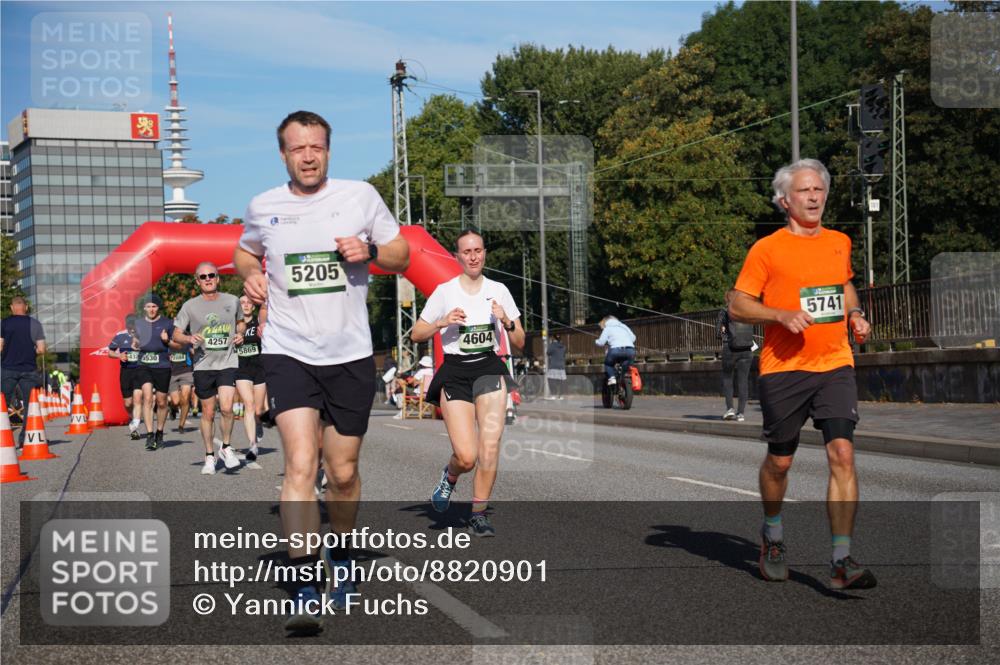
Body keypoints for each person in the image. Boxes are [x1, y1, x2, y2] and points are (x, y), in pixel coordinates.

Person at [234, 110, 408, 631]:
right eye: (297, 148)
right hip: (288, 350)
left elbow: (401, 254)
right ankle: (306, 581)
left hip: (350, 354)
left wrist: (372, 251)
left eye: (316, 147)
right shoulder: (264, 207)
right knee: (300, 466)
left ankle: (345, 553)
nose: (307, 155)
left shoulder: (360, 197)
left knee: (344, 473)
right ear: (283, 154)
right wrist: (252, 278)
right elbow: (245, 253)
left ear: (328, 150)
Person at [729, 158, 875, 591]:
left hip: (834, 363)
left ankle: (840, 559)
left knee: (843, 454)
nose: (814, 197)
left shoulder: (839, 241)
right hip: (784, 368)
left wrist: (856, 315)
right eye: (804, 191)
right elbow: (737, 304)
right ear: (784, 200)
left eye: (819, 190)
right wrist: (779, 314)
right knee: (781, 460)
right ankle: (772, 534)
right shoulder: (767, 249)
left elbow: (844, 284)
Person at [412, 229, 524, 538]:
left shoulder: (499, 290)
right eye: (466, 251)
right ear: (457, 256)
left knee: (489, 448)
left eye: (478, 250)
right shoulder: (445, 291)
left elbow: (520, 341)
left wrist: (507, 321)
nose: (473, 256)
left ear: (484, 253)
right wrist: (441, 322)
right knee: (467, 456)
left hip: (489, 367)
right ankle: (449, 477)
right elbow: (416, 334)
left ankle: (478, 513)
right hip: (456, 372)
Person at [172, 262, 242, 474]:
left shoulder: (232, 300)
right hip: (203, 365)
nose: (208, 279)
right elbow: (176, 334)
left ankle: (227, 447)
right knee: (209, 413)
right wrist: (188, 337)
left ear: (218, 278)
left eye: (212, 275)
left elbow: (240, 323)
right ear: (197, 281)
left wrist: (239, 334)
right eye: (203, 277)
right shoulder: (190, 305)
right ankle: (210, 456)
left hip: (228, 361)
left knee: (228, 408)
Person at [132, 294, 175, 450]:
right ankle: (149, 435)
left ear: (159, 308)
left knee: (162, 402)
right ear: (144, 308)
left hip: (162, 364)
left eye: (154, 306)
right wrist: (135, 343)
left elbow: (175, 344)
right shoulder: (138, 323)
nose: (151, 309)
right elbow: (135, 341)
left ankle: (159, 432)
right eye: (149, 306)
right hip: (144, 364)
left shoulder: (168, 323)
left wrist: (166, 341)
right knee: (147, 397)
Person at [1, 296, 45, 438]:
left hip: (8, 368)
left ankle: (2, 438)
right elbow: (41, 349)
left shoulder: (4, 323)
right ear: (25, 307)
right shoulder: (35, 323)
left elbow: (0, 346)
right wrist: (31, 352)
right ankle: (25, 439)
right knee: (30, 405)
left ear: (12, 307)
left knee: (3, 403)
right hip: (29, 369)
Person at [234, 295, 268, 462]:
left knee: (258, 410)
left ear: (253, 307)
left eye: (248, 303)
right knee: (248, 404)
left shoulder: (259, 323)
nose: (246, 305)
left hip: (259, 368)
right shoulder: (233, 325)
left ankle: (259, 423)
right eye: (242, 303)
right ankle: (252, 445)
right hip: (241, 369)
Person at [717, 289, 755, 422]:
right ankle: (741, 413)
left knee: (728, 378)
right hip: (747, 349)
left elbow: (719, 333)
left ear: (727, 298)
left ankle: (730, 409)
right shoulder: (747, 311)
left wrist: (724, 332)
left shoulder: (725, 311)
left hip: (730, 349)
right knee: (743, 381)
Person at [108, 315, 144, 439]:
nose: (132, 327)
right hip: (126, 371)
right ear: (126, 324)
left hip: (140, 370)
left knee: (138, 398)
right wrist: (119, 356)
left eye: (134, 324)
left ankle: (135, 426)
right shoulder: (120, 336)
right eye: (130, 324)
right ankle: (132, 418)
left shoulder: (143, 335)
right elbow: (110, 352)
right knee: (128, 403)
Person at [594, 315, 636, 385]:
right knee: (625, 369)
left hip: (615, 351)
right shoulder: (624, 326)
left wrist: (596, 341)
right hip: (630, 350)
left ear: (605, 322)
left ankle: (612, 378)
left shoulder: (607, 328)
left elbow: (601, 343)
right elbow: (633, 338)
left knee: (608, 364)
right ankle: (624, 381)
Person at [167, 342, 195, 434]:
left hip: (186, 372)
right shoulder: (168, 341)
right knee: (175, 401)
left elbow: (194, 350)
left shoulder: (187, 341)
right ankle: (173, 408)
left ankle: (181, 425)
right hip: (172, 374)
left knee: (185, 398)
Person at [546, 334, 567, 399]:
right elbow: (563, 353)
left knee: (551, 380)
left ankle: (553, 395)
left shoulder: (552, 346)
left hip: (553, 365)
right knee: (561, 381)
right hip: (561, 366)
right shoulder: (563, 346)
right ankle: (561, 396)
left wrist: (551, 343)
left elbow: (548, 352)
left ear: (553, 338)